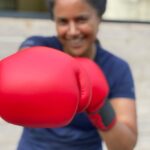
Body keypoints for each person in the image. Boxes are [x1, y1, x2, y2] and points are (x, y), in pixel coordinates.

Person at [16, 0, 138, 149]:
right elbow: (26, 52)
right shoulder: (41, 46)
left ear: (99, 17)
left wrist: (100, 105)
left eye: (81, 20)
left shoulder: (116, 68)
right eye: (63, 21)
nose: (72, 31)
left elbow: (125, 145)